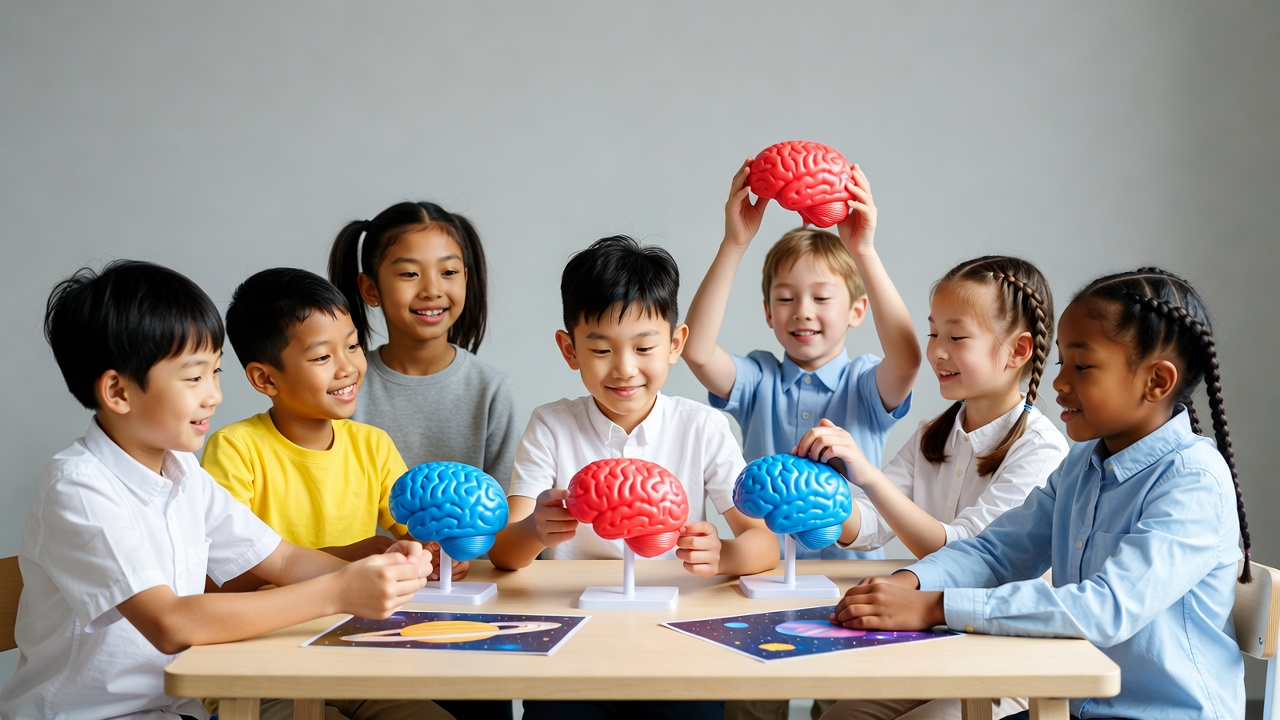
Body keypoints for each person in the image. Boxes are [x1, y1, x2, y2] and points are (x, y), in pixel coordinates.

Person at [0, 260, 432, 720]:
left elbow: (282, 559)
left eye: (216, 373)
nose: (214, 396)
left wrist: (385, 574)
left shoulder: (182, 471)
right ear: (118, 392)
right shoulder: (79, 487)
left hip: (178, 709)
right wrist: (339, 591)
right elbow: (171, 623)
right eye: (193, 377)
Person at [827, 268, 1251, 720]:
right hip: (1071, 703)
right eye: (1061, 364)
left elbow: (1104, 609)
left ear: (1157, 382)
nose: (1059, 383)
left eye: (1082, 366)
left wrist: (933, 605)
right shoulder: (1083, 463)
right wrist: (909, 584)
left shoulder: (1193, 481)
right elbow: (995, 553)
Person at [489, 235, 778, 720]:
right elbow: (502, 551)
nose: (624, 369)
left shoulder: (703, 427)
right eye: (600, 349)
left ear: (675, 344)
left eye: (644, 347)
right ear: (569, 349)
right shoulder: (551, 425)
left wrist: (724, 553)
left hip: (678, 642)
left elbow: (764, 543)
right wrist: (534, 531)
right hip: (571, 644)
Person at [686, 160, 920, 720]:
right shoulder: (758, 378)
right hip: (763, 576)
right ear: (767, 312)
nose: (803, 312)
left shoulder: (867, 383)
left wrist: (864, 251)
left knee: (841, 707)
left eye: (822, 297)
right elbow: (695, 351)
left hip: (847, 581)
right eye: (786, 298)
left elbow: (908, 357)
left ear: (856, 310)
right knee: (750, 710)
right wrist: (735, 243)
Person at [795, 256, 1068, 720]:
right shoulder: (933, 433)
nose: (937, 351)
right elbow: (872, 523)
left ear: (1018, 350)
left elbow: (969, 556)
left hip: (1007, 660)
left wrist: (870, 475)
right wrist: (819, 497)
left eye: (957, 337)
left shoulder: (1041, 451)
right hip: (936, 643)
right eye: (934, 333)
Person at [201, 268, 459, 720]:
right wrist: (352, 554)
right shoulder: (236, 450)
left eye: (354, 345)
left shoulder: (371, 444)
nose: (348, 367)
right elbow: (214, 583)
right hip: (259, 671)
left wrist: (436, 551)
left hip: (357, 657)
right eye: (322, 357)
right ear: (265, 379)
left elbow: (416, 535)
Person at [328, 201, 519, 489]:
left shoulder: (491, 389)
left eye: (449, 272)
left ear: (466, 278)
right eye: (409, 274)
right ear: (370, 288)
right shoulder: (345, 387)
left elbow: (508, 507)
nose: (432, 290)